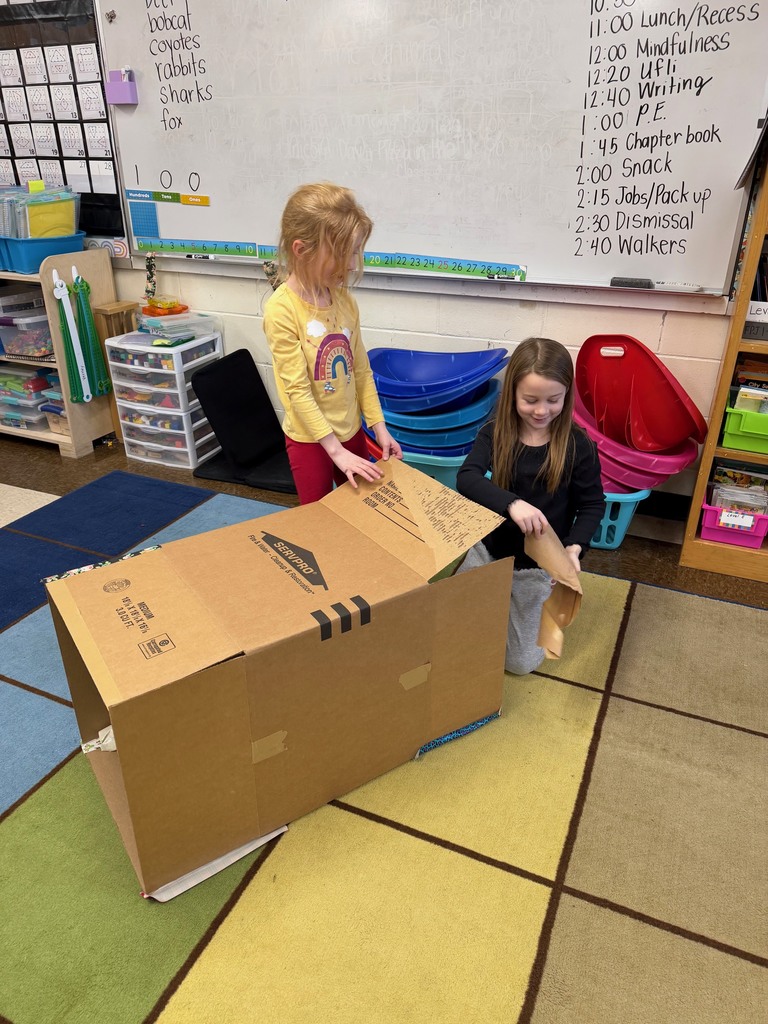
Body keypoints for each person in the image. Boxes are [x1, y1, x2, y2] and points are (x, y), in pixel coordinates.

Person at [456, 337, 605, 674]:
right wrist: (512, 504)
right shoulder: (495, 432)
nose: (541, 411)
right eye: (530, 400)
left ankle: (533, 604)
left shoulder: (578, 445)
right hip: (490, 551)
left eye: (553, 400)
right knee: (450, 623)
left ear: (566, 395)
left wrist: (573, 549)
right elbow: (467, 477)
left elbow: (593, 504)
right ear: (513, 394)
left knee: (520, 664)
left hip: (536, 566)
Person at [263, 182, 402, 504]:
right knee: (319, 519)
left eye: (354, 252)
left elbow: (362, 372)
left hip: (351, 431)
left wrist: (379, 428)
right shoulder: (282, 310)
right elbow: (297, 391)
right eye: (342, 253)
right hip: (310, 440)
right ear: (301, 250)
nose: (351, 264)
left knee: (364, 509)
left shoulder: (345, 302)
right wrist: (335, 451)